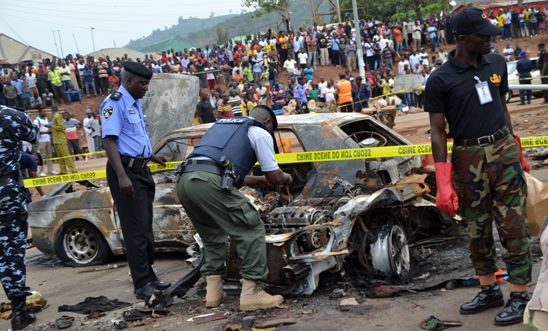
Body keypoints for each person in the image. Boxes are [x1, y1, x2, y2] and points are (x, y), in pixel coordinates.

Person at [424, 8, 532, 327]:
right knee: (477, 227)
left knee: (513, 225)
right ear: (461, 39)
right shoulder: (440, 80)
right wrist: (443, 181)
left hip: (503, 149)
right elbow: (437, 131)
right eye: (482, 34)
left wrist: (517, 148)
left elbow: (501, 104)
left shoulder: (496, 63)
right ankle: (488, 290)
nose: (489, 39)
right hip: (467, 157)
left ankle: (520, 294)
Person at [174, 106, 292, 311]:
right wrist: (287, 178)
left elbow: (231, 174)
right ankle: (252, 293)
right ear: (268, 123)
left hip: (185, 182)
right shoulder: (260, 132)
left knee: (213, 235)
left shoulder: (221, 127)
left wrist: (261, 181)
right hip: (209, 181)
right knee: (251, 227)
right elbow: (275, 176)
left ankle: (214, 293)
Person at [100, 61, 170, 300]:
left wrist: (152, 156)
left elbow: (132, 139)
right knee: (135, 231)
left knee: (146, 229)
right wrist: (121, 177)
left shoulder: (135, 103)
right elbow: (109, 142)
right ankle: (141, 284)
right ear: (128, 81)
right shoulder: (114, 104)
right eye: (142, 83)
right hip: (126, 173)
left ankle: (150, 276)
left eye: (147, 83)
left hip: (141, 169)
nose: (145, 88)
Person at [0, 105, 38, 330]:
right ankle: (19, 312)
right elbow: (32, 137)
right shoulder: (12, 115)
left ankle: (18, 308)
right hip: (8, 191)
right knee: (13, 249)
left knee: (2, 254)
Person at [51, 105, 77, 174]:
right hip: (57, 140)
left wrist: (52, 126)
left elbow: (62, 127)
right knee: (61, 157)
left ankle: (73, 170)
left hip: (60, 139)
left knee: (66, 156)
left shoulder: (57, 116)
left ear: (52, 110)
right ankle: (63, 171)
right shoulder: (55, 116)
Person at [33, 107, 56, 176]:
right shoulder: (36, 120)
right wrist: (45, 132)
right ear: (39, 112)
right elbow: (35, 131)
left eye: (45, 111)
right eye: (43, 111)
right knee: (41, 156)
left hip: (48, 139)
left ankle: (50, 170)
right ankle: (41, 171)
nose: (45, 113)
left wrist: (49, 130)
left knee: (49, 155)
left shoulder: (46, 119)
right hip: (41, 140)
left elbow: (48, 127)